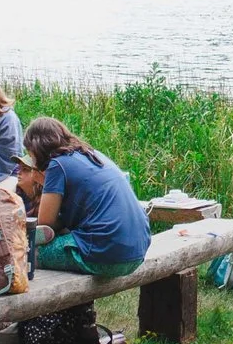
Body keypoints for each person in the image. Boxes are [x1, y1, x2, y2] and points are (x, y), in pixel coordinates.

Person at [22, 116, 150, 276]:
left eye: (31, 155)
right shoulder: (93, 154)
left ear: (36, 148)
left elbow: (45, 224)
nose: (32, 162)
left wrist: (43, 181)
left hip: (109, 255)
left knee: (28, 252)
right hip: (138, 251)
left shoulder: (57, 164)